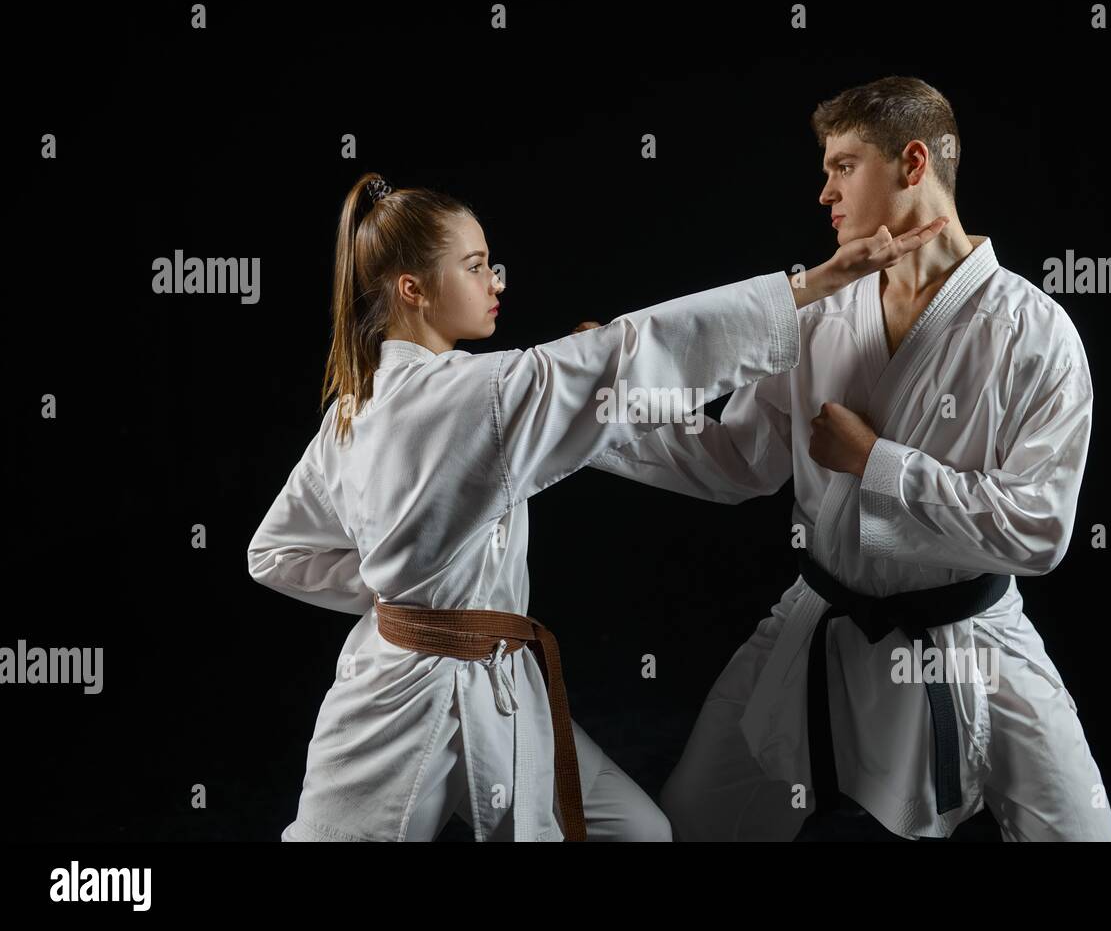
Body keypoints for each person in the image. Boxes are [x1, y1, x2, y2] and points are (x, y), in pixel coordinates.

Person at [246, 171, 947, 841]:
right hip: (396, 702)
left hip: (494, 682)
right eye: (475, 265)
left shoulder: (357, 403)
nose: (496, 282)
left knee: (636, 831)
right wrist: (814, 284)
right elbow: (632, 353)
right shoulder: (475, 393)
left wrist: (389, 588)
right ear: (413, 290)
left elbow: (274, 553)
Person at [586, 77, 1111, 841]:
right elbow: (737, 458)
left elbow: (1038, 529)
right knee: (696, 821)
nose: (824, 192)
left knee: (1082, 834)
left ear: (911, 164)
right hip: (818, 618)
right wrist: (602, 409)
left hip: (971, 636)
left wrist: (878, 462)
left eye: (842, 166)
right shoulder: (822, 314)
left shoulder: (1035, 332)